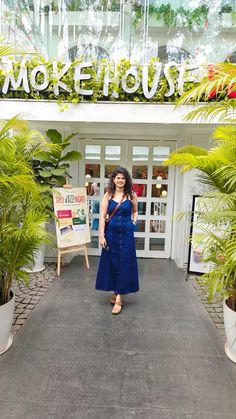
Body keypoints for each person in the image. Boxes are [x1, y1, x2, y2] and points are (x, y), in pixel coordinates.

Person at [95, 167, 139, 315]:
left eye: (123, 178)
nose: (120, 180)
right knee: (112, 262)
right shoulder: (108, 195)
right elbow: (102, 216)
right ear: (113, 179)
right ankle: (116, 290)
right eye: (118, 178)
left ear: (126, 180)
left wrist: (133, 222)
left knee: (125, 262)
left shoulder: (131, 195)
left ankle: (119, 298)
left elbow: (135, 211)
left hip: (127, 234)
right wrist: (101, 235)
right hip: (111, 234)